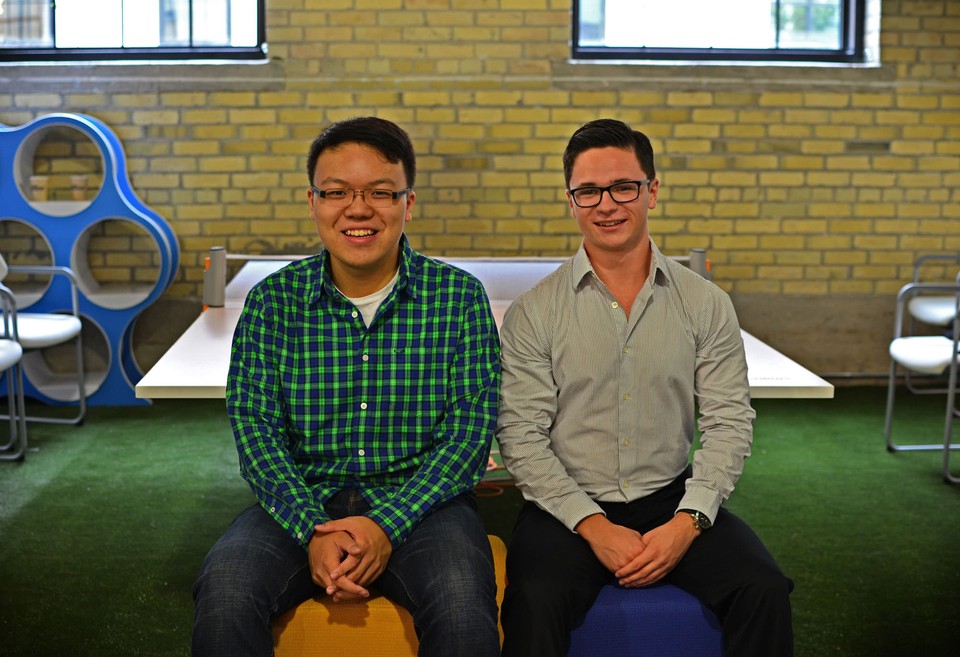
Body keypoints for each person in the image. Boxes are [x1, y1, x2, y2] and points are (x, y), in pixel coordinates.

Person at [192, 116, 502, 657]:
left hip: (424, 504)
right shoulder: (272, 302)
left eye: (380, 192)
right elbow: (256, 430)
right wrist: (316, 528)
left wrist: (386, 524)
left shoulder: (459, 298)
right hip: (302, 497)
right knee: (226, 592)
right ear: (313, 201)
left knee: (461, 601)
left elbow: (469, 437)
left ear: (408, 202)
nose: (358, 209)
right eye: (336, 192)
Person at [496, 118, 794, 657]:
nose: (606, 204)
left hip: (670, 498)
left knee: (764, 589)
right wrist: (591, 524)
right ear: (571, 200)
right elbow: (520, 435)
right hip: (566, 509)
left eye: (623, 187)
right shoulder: (535, 312)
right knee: (533, 602)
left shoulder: (705, 303)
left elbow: (729, 421)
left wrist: (689, 520)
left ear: (651, 191)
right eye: (588, 191)